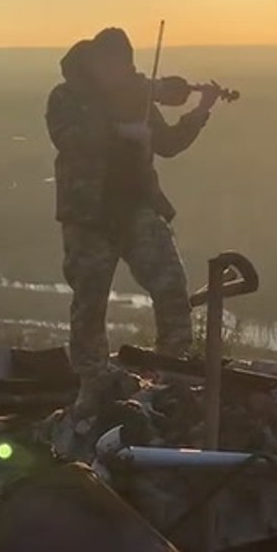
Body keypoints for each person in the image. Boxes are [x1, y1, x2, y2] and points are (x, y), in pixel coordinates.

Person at [45, 27, 221, 412]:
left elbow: (169, 144)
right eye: (107, 63)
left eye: (123, 64)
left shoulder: (136, 97)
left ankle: (172, 374)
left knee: (171, 285)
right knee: (90, 302)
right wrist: (122, 130)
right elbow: (71, 138)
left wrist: (202, 109)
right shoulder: (67, 97)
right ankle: (93, 385)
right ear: (92, 62)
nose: (116, 71)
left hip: (135, 207)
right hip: (88, 214)